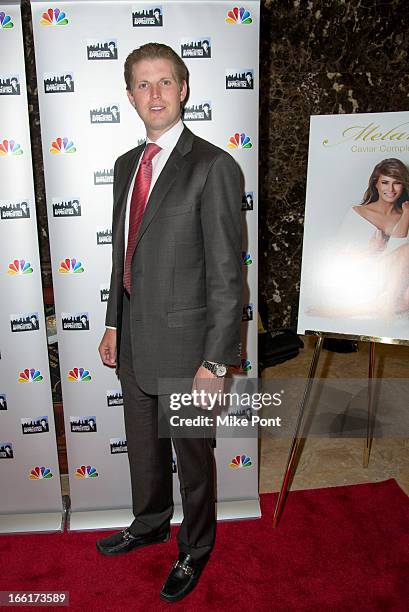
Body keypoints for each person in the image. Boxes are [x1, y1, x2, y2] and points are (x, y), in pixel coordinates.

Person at [97, 43, 242, 603]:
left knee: (193, 457)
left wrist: (215, 360)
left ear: (183, 89)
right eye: (142, 84)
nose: (153, 94)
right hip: (133, 339)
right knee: (142, 448)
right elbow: (122, 255)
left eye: (164, 82)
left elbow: (229, 276)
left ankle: (196, 546)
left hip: (188, 349)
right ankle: (151, 521)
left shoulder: (213, 166)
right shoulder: (124, 166)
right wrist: (113, 323)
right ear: (130, 96)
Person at [308, 158, 409, 318]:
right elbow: (338, 258)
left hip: (393, 282)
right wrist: (370, 251)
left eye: (397, 183)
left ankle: (364, 308)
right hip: (363, 279)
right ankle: (379, 303)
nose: (391, 189)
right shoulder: (357, 213)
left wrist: (406, 214)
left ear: (402, 186)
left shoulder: (404, 215)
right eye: (385, 182)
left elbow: (401, 257)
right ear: (375, 184)